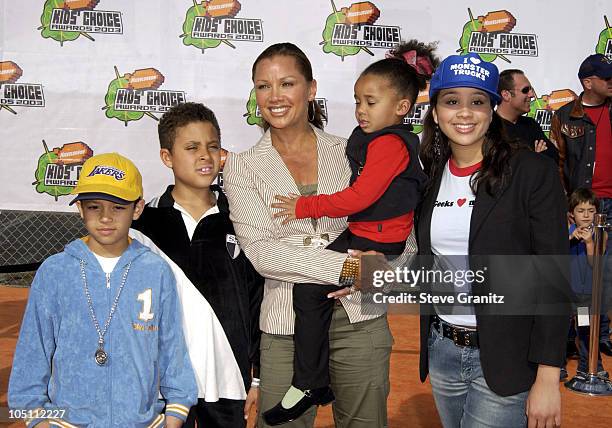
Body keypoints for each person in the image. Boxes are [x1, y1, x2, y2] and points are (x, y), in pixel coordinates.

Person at [224, 42, 406, 428]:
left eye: (287, 83)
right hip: (286, 321)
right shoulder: (241, 167)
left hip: (359, 318)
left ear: (311, 88)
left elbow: (401, 229)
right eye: (263, 86)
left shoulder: (353, 152)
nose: (274, 96)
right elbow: (261, 253)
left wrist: (382, 274)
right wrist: (354, 269)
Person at [269, 40, 437, 425]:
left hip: (374, 242)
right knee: (310, 292)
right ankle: (313, 381)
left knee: (311, 290)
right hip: (363, 234)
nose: (361, 110)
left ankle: (309, 383)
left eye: (371, 102)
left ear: (401, 108)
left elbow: (359, 196)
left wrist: (303, 206)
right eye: (358, 100)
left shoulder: (391, 144)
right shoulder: (375, 139)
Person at [417, 53, 570, 427]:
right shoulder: (431, 175)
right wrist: (353, 270)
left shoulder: (531, 172)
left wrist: (549, 375)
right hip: (443, 351)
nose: (464, 113)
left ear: (492, 109)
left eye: (477, 102)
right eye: (452, 101)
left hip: (507, 359)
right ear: (435, 112)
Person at [8, 153, 197, 427]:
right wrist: (36, 417)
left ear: (138, 208)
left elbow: (172, 347)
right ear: (80, 209)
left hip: (140, 421)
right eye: (95, 207)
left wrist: (176, 412)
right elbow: (32, 349)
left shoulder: (155, 271)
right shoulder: (56, 271)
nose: (106, 218)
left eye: (118, 207)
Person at [130, 102, 264, 427]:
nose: (205, 156)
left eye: (212, 146)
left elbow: (258, 298)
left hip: (227, 378)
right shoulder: (143, 225)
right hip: (160, 383)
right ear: (167, 157)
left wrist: (258, 377)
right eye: (191, 147)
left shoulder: (242, 219)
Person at [550, 53, 612, 356]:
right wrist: (567, 209)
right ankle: (576, 337)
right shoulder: (564, 117)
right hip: (582, 207)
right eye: (607, 78)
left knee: (606, 272)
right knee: (581, 274)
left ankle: (601, 336)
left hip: (611, 204)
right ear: (588, 82)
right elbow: (558, 164)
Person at [567, 187, 608, 378]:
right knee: (559, 331)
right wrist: (569, 239)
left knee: (584, 330)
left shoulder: (601, 234)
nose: (585, 215)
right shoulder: (566, 231)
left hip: (584, 295)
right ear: (571, 214)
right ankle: (556, 366)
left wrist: (590, 243)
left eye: (590, 211)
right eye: (580, 211)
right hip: (565, 292)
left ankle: (589, 365)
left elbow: (595, 264)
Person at [496, 69, 558, 162]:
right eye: (525, 90)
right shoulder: (489, 128)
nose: (532, 95)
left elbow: (554, 157)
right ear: (506, 95)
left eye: (531, 89)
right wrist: (534, 158)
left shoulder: (530, 124)